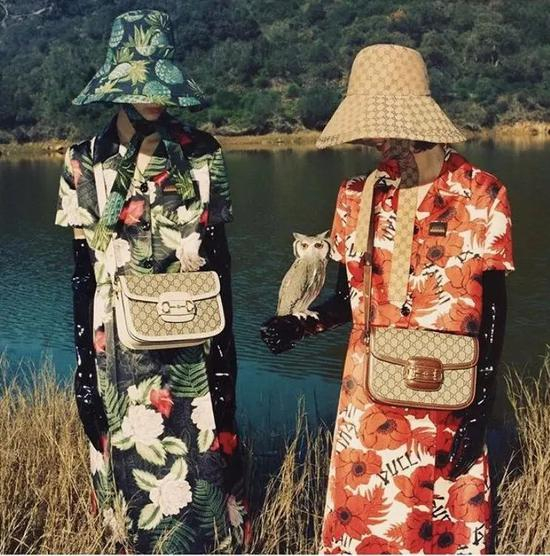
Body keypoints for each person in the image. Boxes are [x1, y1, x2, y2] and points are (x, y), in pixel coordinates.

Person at [261, 44, 514, 554]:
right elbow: (348, 299)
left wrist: (481, 406)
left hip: (450, 397)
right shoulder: (356, 196)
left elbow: (493, 310)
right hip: (369, 401)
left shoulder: (481, 194)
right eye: (372, 129)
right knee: (367, 528)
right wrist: (301, 324)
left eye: (385, 127)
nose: (378, 141)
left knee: (442, 529)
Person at [55, 10, 248, 553]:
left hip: (193, 342)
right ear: (119, 88)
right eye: (143, 86)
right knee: (128, 482)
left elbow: (219, 263)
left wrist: (227, 366)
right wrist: (84, 373)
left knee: (206, 477)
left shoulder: (203, 153)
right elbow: (81, 273)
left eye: (160, 85)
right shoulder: (84, 162)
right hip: (115, 348)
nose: (155, 99)